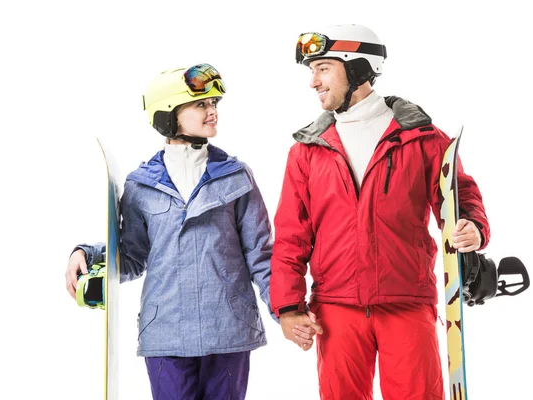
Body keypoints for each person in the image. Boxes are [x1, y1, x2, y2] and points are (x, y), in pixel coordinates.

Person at [270, 25, 490, 400]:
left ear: (357, 67)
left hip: (406, 300)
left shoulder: (421, 138)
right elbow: (292, 233)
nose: (313, 82)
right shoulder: (308, 149)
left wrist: (472, 227)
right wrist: (288, 306)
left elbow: (460, 194)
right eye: (312, 71)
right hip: (335, 308)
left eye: (323, 68)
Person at [65, 63, 279, 400]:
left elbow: (261, 255)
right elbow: (133, 257)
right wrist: (89, 254)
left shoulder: (237, 176)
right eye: (201, 104)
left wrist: (287, 309)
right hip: (166, 331)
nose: (212, 112)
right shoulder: (140, 185)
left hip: (228, 328)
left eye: (214, 104)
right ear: (169, 113)